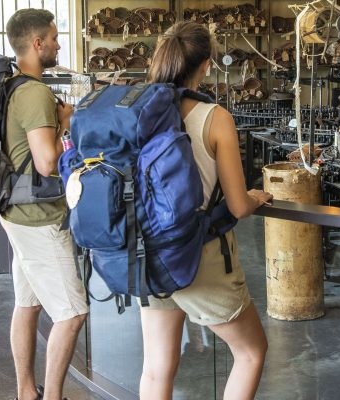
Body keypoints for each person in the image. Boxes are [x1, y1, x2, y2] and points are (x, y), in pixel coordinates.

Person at [140, 21, 273, 400]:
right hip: (199, 255)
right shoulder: (215, 117)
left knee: (156, 370)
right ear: (208, 64)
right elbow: (236, 205)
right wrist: (255, 197)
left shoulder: (138, 107)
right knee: (250, 352)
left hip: (147, 251)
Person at [1, 9, 88, 400]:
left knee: (28, 304)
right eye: (53, 38)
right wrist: (66, 122)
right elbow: (47, 162)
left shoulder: (9, 85)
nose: (57, 44)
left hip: (15, 213)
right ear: (37, 44)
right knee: (72, 314)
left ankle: (26, 392)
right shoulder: (35, 93)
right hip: (39, 219)